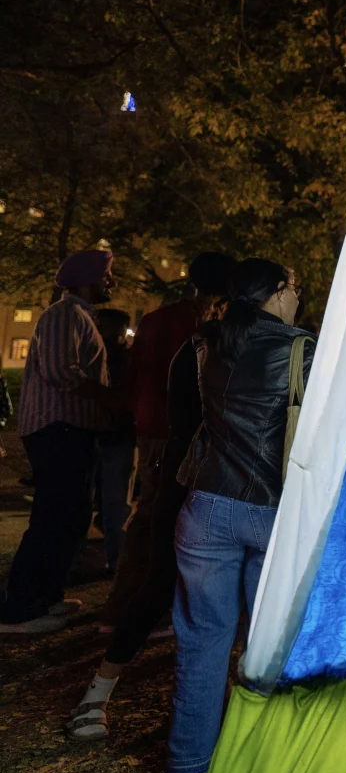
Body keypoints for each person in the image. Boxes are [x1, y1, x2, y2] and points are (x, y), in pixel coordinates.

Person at [67, 257, 233, 743]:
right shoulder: (220, 341)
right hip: (205, 464)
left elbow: (139, 380)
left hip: (166, 445)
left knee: (152, 546)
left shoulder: (168, 327)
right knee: (191, 576)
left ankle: (104, 670)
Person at [165, 258, 312, 773]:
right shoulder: (300, 349)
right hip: (273, 510)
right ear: (276, 292)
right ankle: (261, 761)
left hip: (205, 504)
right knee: (269, 643)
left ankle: (187, 771)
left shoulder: (207, 346)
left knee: (201, 641)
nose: (298, 297)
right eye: (295, 287)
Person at [102, 253, 236, 626]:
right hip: (182, 431)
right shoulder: (208, 325)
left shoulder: (158, 318)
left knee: (151, 514)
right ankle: (148, 606)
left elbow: (135, 373)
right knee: (170, 517)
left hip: (150, 427)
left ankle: (126, 601)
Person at [1, 250, 118, 634]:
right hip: (57, 428)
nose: (111, 282)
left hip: (72, 429)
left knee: (70, 518)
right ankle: (19, 607)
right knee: (53, 518)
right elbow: (59, 371)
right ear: (86, 280)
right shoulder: (63, 316)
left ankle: (44, 597)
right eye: (106, 276)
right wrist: (105, 397)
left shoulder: (79, 317)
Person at [93, 308, 136, 571]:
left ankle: (116, 558)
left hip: (106, 433)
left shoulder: (99, 355)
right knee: (116, 501)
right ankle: (116, 560)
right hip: (118, 435)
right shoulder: (128, 358)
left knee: (112, 501)